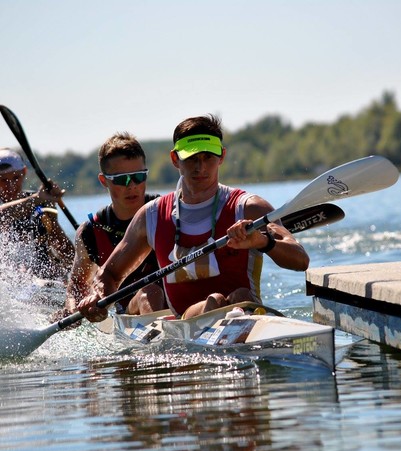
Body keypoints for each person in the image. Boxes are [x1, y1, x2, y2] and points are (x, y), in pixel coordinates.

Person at [77, 114, 309, 323]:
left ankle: (232, 315)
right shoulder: (152, 215)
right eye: (191, 158)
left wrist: (263, 242)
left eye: (208, 157)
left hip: (246, 313)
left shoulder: (249, 208)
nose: (200, 167)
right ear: (175, 159)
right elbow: (109, 274)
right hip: (187, 322)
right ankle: (219, 311)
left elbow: (301, 260)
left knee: (240, 296)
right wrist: (98, 297)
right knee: (217, 300)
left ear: (222, 156)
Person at [56, 132, 165, 320]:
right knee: (150, 292)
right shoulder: (90, 232)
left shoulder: (165, 210)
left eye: (138, 176)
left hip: (175, 302)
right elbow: (77, 285)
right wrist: (73, 308)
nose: (132, 186)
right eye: (122, 179)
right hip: (132, 309)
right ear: (103, 181)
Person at [0, 147, 75, 280]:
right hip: (10, 281)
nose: (10, 185)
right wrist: (38, 199)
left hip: (42, 281)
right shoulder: (37, 199)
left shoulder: (41, 204)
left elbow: (69, 255)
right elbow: (2, 215)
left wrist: (52, 221)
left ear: (24, 172)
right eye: (3, 180)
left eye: (16, 178)